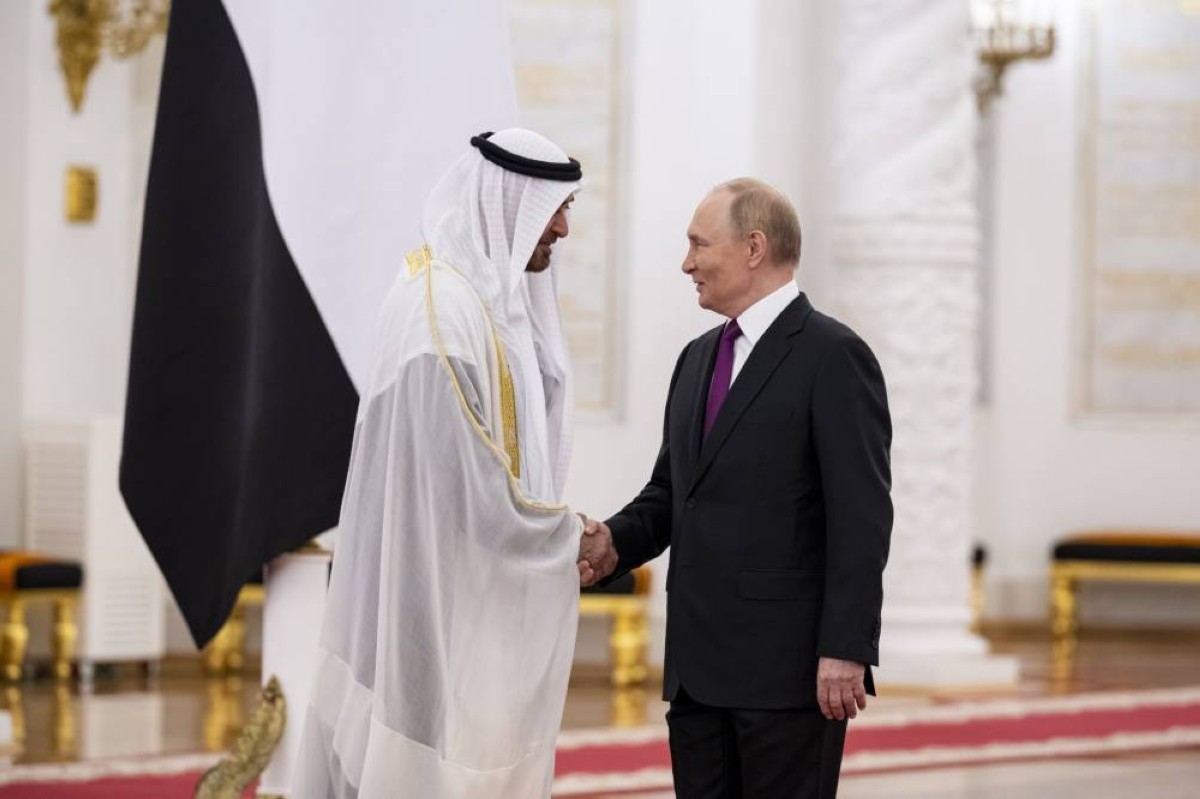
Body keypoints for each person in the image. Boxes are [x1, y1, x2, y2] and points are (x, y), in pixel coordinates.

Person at [294, 129, 612, 798]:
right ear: (509, 203)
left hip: (472, 599)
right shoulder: (437, 309)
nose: (561, 228)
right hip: (430, 597)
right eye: (554, 209)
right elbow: (462, 474)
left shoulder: (484, 303)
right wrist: (562, 536)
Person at [580, 178, 893, 798]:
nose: (686, 263)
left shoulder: (834, 354)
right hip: (696, 674)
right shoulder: (696, 358)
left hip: (787, 675)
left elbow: (862, 516)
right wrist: (611, 543)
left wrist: (846, 647)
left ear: (754, 247)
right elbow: (672, 494)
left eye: (699, 244)